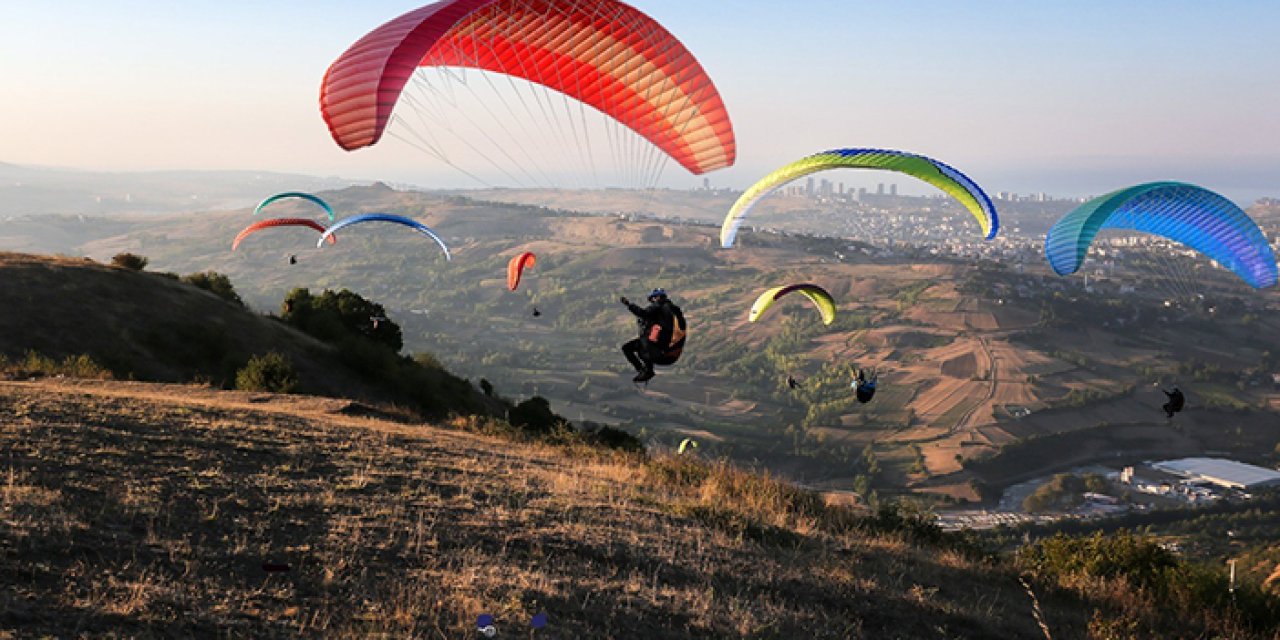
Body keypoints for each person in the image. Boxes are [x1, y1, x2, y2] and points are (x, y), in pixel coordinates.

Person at [620, 288, 686, 383]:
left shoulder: (658, 306)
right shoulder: (674, 310)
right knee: (643, 345)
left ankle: (644, 371)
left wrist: (629, 305)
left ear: (657, 297)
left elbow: (643, 314)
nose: (651, 303)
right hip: (671, 353)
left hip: (659, 352)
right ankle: (647, 371)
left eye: (652, 300)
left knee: (627, 348)